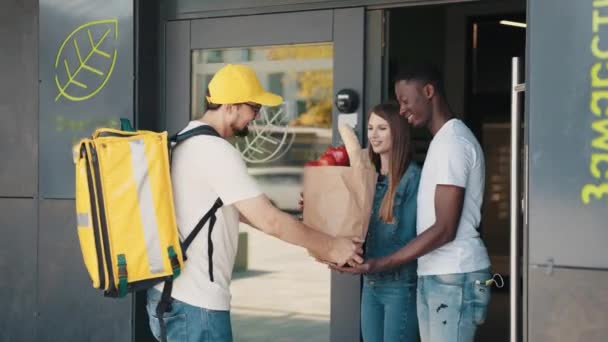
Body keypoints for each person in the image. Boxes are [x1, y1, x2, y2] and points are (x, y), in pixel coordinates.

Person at [146, 64, 363, 342]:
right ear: (231, 106)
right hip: (197, 306)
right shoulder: (216, 151)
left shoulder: (181, 142)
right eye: (254, 107)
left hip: (166, 296)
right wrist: (333, 246)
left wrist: (306, 229)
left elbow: (238, 210)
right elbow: (269, 220)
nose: (257, 116)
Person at [333, 64, 492, 342]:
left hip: (454, 274)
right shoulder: (442, 143)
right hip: (438, 273)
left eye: (405, 101)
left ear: (429, 92)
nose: (403, 110)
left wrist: (378, 264)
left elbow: (445, 229)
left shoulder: (452, 144)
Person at [361, 103, 421, 342]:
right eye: (370, 128)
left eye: (382, 128)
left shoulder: (412, 179)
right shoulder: (367, 178)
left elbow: (411, 239)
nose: (373, 135)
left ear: (398, 131)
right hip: (370, 284)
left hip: (400, 287)